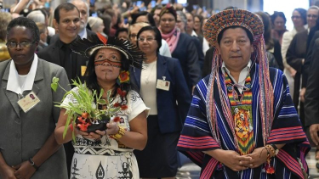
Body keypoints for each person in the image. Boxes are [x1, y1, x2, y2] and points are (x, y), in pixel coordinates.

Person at [177, 9, 310, 178]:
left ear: (253, 46)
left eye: (241, 41)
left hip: (270, 168)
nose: (235, 47)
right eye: (227, 42)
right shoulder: (206, 87)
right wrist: (222, 155)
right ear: (217, 47)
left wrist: (268, 150)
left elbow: (288, 124)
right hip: (223, 169)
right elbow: (195, 131)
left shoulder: (275, 79)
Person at [54, 35, 149, 178]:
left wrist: (117, 131)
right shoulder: (76, 95)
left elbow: (141, 142)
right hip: (83, 169)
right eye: (101, 58)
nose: (106, 63)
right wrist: (78, 128)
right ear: (93, 65)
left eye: (114, 59)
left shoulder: (131, 98)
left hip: (121, 170)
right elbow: (59, 136)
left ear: (122, 67)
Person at [0, 17, 69, 179]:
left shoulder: (55, 74)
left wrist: (33, 164)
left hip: (47, 169)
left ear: (36, 43)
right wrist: (3, 167)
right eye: (12, 42)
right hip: (5, 171)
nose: (18, 48)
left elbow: (63, 128)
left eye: (24, 42)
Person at [131, 26, 191, 178]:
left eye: (149, 38)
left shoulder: (171, 64)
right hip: (140, 123)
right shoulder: (131, 66)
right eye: (141, 39)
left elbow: (183, 97)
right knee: (143, 163)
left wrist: (188, 125)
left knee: (167, 164)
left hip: (167, 123)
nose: (145, 42)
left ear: (158, 42)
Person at [37, 3, 90, 175]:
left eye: (76, 20)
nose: (73, 24)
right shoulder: (44, 56)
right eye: (67, 21)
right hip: (52, 127)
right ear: (56, 24)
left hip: (84, 125)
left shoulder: (90, 52)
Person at [286, 6, 319, 128]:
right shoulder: (302, 35)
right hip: (304, 77)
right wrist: (301, 62)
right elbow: (290, 57)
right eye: (309, 16)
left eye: (314, 16)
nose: (311, 18)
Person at [159, 5, 201, 93]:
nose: (167, 22)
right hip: (158, 85)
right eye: (164, 20)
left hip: (181, 85)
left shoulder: (186, 40)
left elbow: (193, 65)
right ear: (160, 21)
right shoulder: (154, 38)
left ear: (175, 22)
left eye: (170, 20)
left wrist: (195, 84)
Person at [281, 8, 307, 107]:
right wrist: (292, 70)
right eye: (293, 17)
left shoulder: (308, 34)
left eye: (298, 17)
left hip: (304, 71)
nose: (295, 19)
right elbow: (285, 56)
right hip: (290, 72)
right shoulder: (288, 35)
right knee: (290, 101)